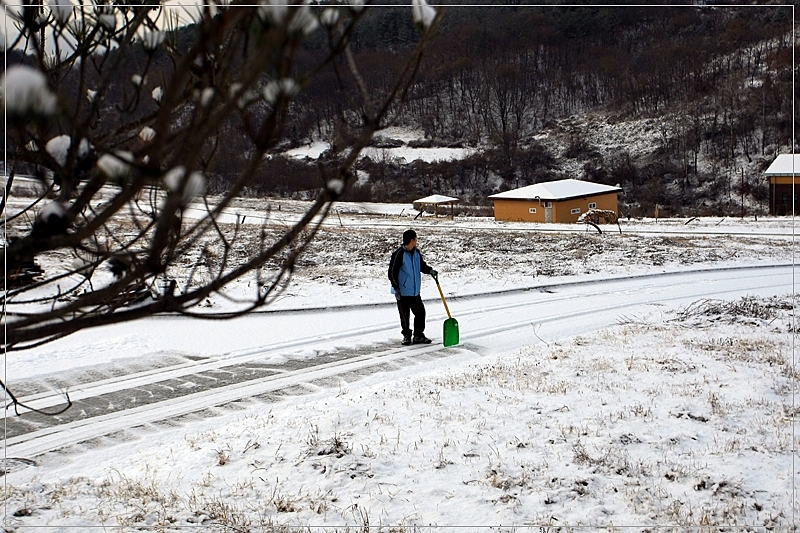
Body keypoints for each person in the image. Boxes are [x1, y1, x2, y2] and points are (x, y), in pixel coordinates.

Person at [388, 229, 438, 345]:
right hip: (403, 292)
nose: (417, 241)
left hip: (415, 292)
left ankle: (418, 335)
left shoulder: (416, 253)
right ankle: (406, 336)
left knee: (420, 313)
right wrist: (396, 288)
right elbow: (391, 272)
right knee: (405, 316)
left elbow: (421, 266)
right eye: (416, 239)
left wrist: (430, 270)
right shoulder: (399, 254)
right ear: (411, 240)